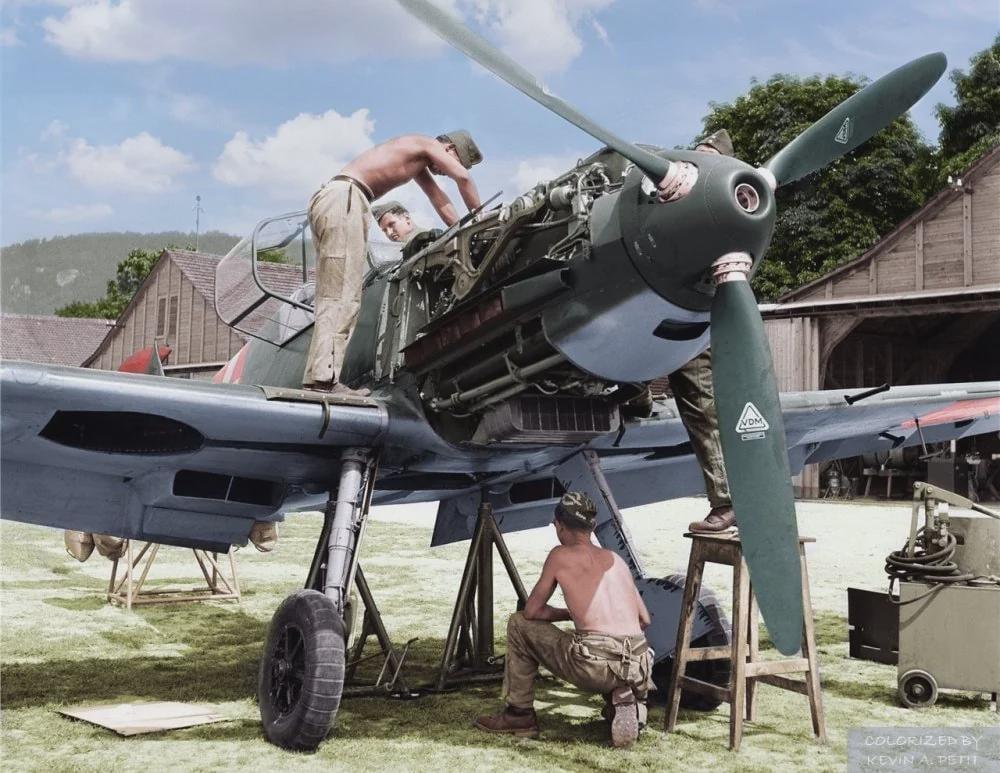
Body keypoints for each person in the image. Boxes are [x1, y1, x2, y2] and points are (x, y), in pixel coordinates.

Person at [303, 131, 483, 392]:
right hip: (346, 198)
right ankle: (324, 380)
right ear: (450, 148)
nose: (444, 172)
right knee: (343, 294)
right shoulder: (427, 144)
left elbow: (438, 198)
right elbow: (463, 177)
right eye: (453, 162)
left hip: (336, 198)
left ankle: (318, 378)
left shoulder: (416, 157)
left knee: (333, 293)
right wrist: (480, 217)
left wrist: (461, 229)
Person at [475, 492, 653, 748]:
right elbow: (644, 619)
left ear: (559, 525)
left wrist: (569, 613)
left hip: (595, 666)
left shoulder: (561, 555)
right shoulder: (615, 560)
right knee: (611, 654)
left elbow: (532, 613)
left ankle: (519, 714)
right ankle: (627, 699)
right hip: (639, 664)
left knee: (518, 624)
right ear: (591, 526)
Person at [664, 128, 736, 533]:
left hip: (693, 325)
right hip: (654, 321)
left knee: (702, 409)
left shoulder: (721, 209)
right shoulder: (676, 200)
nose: (697, 164)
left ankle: (726, 503)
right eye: (696, 156)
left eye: (707, 158)